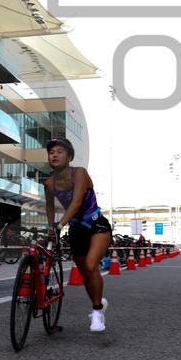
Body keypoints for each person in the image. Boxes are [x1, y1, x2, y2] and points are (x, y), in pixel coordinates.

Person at [44, 137, 112, 332]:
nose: (54, 155)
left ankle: (97, 313)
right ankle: (98, 302)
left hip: (96, 224)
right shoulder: (49, 183)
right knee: (85, 273)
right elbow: (49, 207)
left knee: (91, 265)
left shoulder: (80, 173)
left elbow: (76, 202)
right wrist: (51, 227)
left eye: (60, 152)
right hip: (76, 229)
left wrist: (60, 225)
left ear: (70, 157)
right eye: (51, 152)